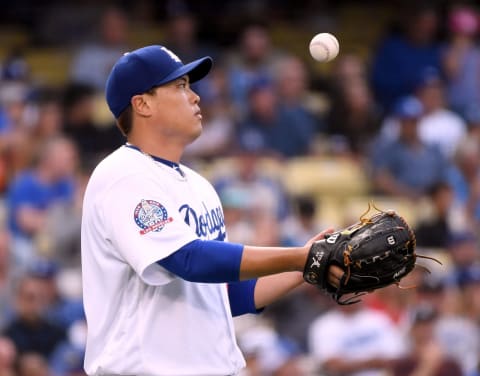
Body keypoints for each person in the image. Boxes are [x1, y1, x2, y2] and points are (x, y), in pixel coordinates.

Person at [81, 45, 341, 376]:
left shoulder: (200, 186)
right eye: (180, 86)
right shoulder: (122, 174)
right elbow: (188, 260)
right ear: (142, 104)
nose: (195, 97)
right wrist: (297, 257)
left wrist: (310, 264)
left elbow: (224, 295)